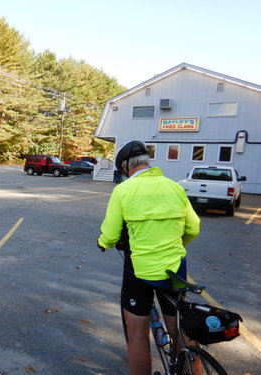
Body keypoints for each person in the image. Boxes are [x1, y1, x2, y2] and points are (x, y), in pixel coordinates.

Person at [97, 140, 200, 375]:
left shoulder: (123, 190)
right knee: (180, 331)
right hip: (175, 268)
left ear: (125, 167)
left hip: (140, 270)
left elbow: (111, 234)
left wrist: (103, 243)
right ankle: (193, 369)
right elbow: (193, 227)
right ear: (147, 162)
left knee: (137, 336)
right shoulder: (174, 187)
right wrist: (175, 245)